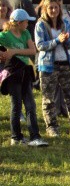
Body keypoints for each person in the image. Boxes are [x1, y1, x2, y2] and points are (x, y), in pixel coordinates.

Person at [35, 0, 70, 137]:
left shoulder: (65, 23)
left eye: (56, 7)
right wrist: (57, 41)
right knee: (49, 99)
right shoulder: (41, 25)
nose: (53, 10)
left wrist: (66, 41)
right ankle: (51, 127)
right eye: (50, 8)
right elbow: (40, 45)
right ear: (45, 9)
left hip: (65, 64)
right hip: (49, 66)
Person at [0, 9, 48, 147]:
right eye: (26, 22)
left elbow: (32, 50)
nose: (28, 24)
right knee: (16, 105)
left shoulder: (26, 33)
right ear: (19, 22)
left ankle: (35, 136)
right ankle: (16, 137)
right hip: (13, 72)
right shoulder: (5, 35)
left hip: (26, 71)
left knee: (30, 105)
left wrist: (14, 51)